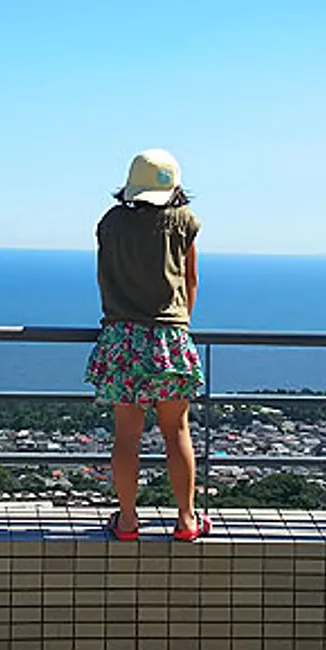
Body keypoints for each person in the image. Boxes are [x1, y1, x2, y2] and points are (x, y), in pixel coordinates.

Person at [84, 148, 209, 541]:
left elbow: (104, 277)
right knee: (177, 431)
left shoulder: (110, 223)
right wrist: (179, 323)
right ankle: (186, 520)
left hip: (122, 337)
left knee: (127, 435)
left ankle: (127, 520)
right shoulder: (184, 221)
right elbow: (190, 280)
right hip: (169, 339)